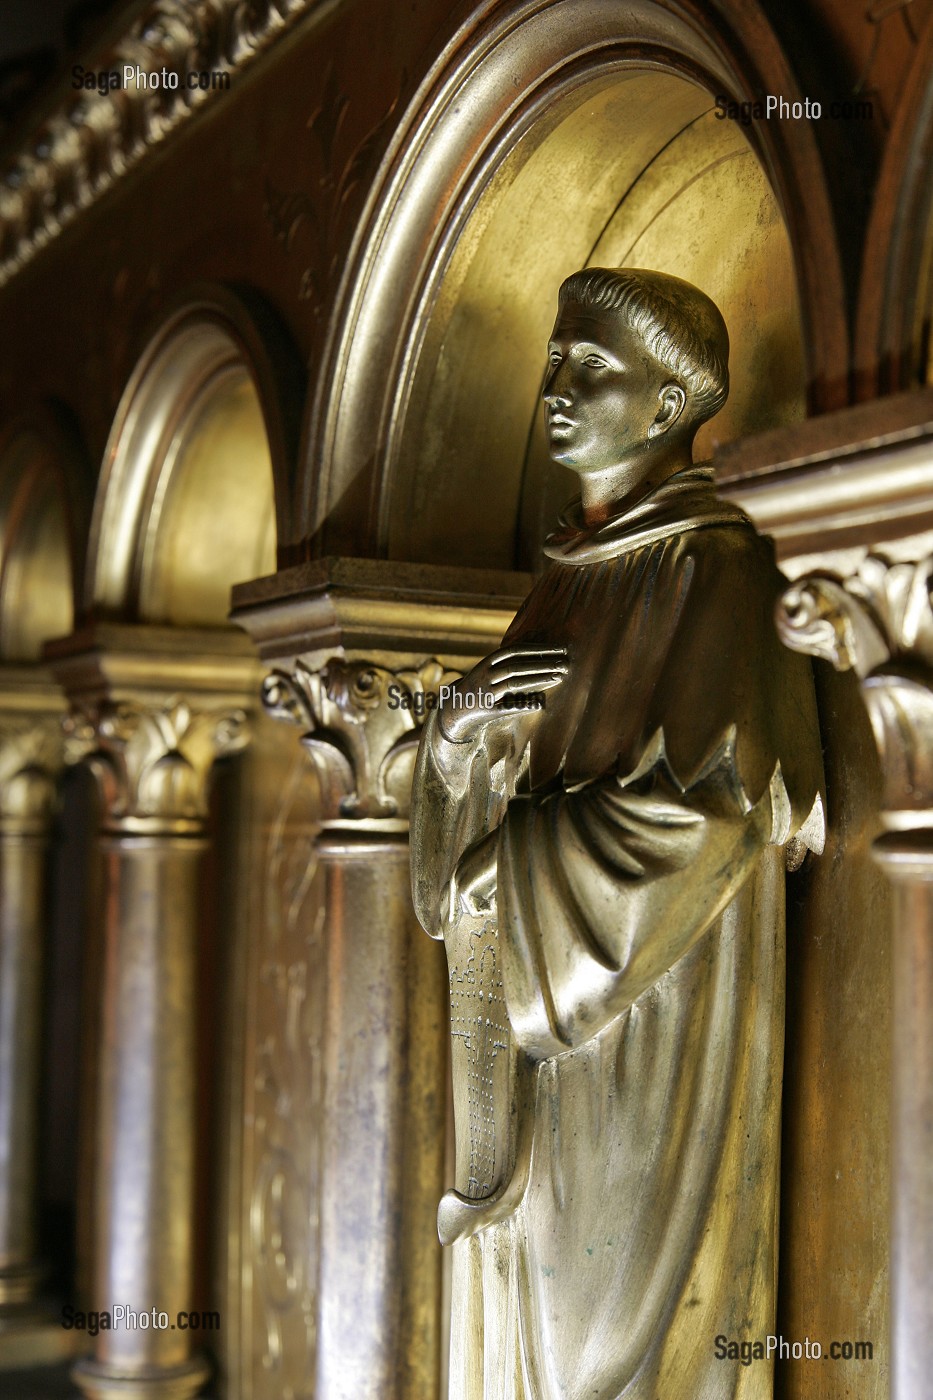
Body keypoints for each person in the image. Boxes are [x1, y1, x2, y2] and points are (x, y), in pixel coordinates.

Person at [411, 267, 823, 1399]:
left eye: (590, 365)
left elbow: (706, 812)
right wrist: (450, 743)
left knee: (608, 1342)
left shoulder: (713, 565)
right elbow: (477, 814)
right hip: (531, 1028)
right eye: (554, 359)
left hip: (643, 1020)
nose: (554, 387)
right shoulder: (560, 581)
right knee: (521, 1318)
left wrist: (505, 874)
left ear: (668, 404)